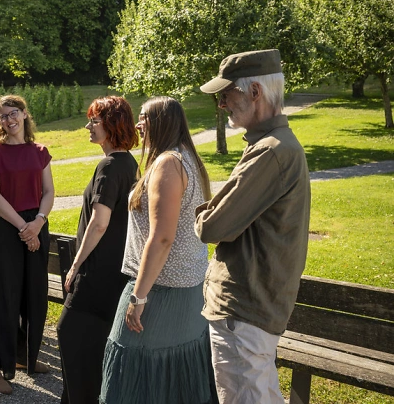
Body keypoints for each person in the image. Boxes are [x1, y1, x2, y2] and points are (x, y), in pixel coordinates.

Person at [195, 49, 310, 404]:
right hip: (250, 313)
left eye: (227, 94)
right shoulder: (272, 145)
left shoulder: (271, 151)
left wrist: (204, 213)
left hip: (243, 314)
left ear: (255, 92)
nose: (222, 104)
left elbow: (211, 227)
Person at [100, 96, 217, 404]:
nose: (138, 124)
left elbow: (162, 237)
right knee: (172, 379)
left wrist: (138, 297)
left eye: (144, 117)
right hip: (187, 290)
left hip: (160, 291)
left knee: (132, 372)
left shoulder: (168, 163)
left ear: (161, 122)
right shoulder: (188, 158)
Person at [57, 96, 139, 404]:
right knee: (92, 350)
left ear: (112, 124)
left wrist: (76, 265)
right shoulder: (129, 163)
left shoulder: (109, 166)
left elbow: (99, 223)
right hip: (116, 273)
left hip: (96, 274)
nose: (88, 126)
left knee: (70, 335)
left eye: (94, 121)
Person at [0, 95, 55, 395]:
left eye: (13, 113)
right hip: (6, 229)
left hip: (36, 226)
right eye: (3, 116)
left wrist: (38, 222)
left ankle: (26, 356)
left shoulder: (40, 151)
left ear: (24, 114)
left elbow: (49, 192)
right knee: (3, 298)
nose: (9, 120)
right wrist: (24, 227)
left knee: (33, 297)